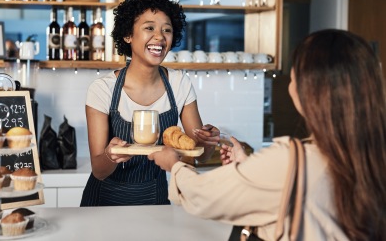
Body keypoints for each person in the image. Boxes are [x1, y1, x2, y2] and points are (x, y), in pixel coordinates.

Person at [149, 29, 386, 240]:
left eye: (294, 78)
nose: (291, 83)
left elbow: (204, 196)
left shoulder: (290, 160)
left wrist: (175, 166)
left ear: (310, 92)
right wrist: (251, 166)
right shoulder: (373, 154)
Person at [80, 0, 220, 206]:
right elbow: (99, 170)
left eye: (167, 30)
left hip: (155, 199)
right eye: (149, 28)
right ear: (128, 35)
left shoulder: (179, 84)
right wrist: (111, 155)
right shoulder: (103, 89)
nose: (159, 37)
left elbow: (197, 156)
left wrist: (208, 142)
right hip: (104, 203)